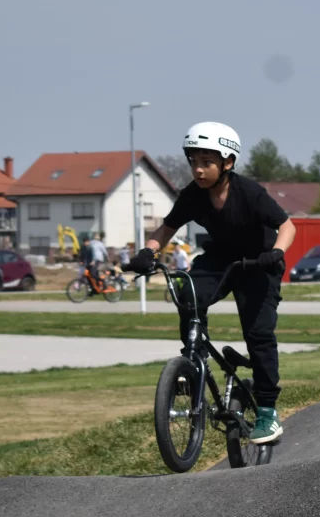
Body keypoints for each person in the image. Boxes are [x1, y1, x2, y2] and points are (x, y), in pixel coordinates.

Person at [125, 122, 295, 444]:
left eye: (207, 162)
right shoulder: (193, 195)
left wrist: (276, 252)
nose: (198, 169)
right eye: (194, 161)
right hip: (220, 259)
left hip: (259, 263)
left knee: (258, 334)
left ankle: (267, 412)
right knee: (186, 292)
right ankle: (193, 364)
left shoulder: (250, 193)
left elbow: (287, 226)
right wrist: (148, 252)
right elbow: (167, 228)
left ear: (227, 162)